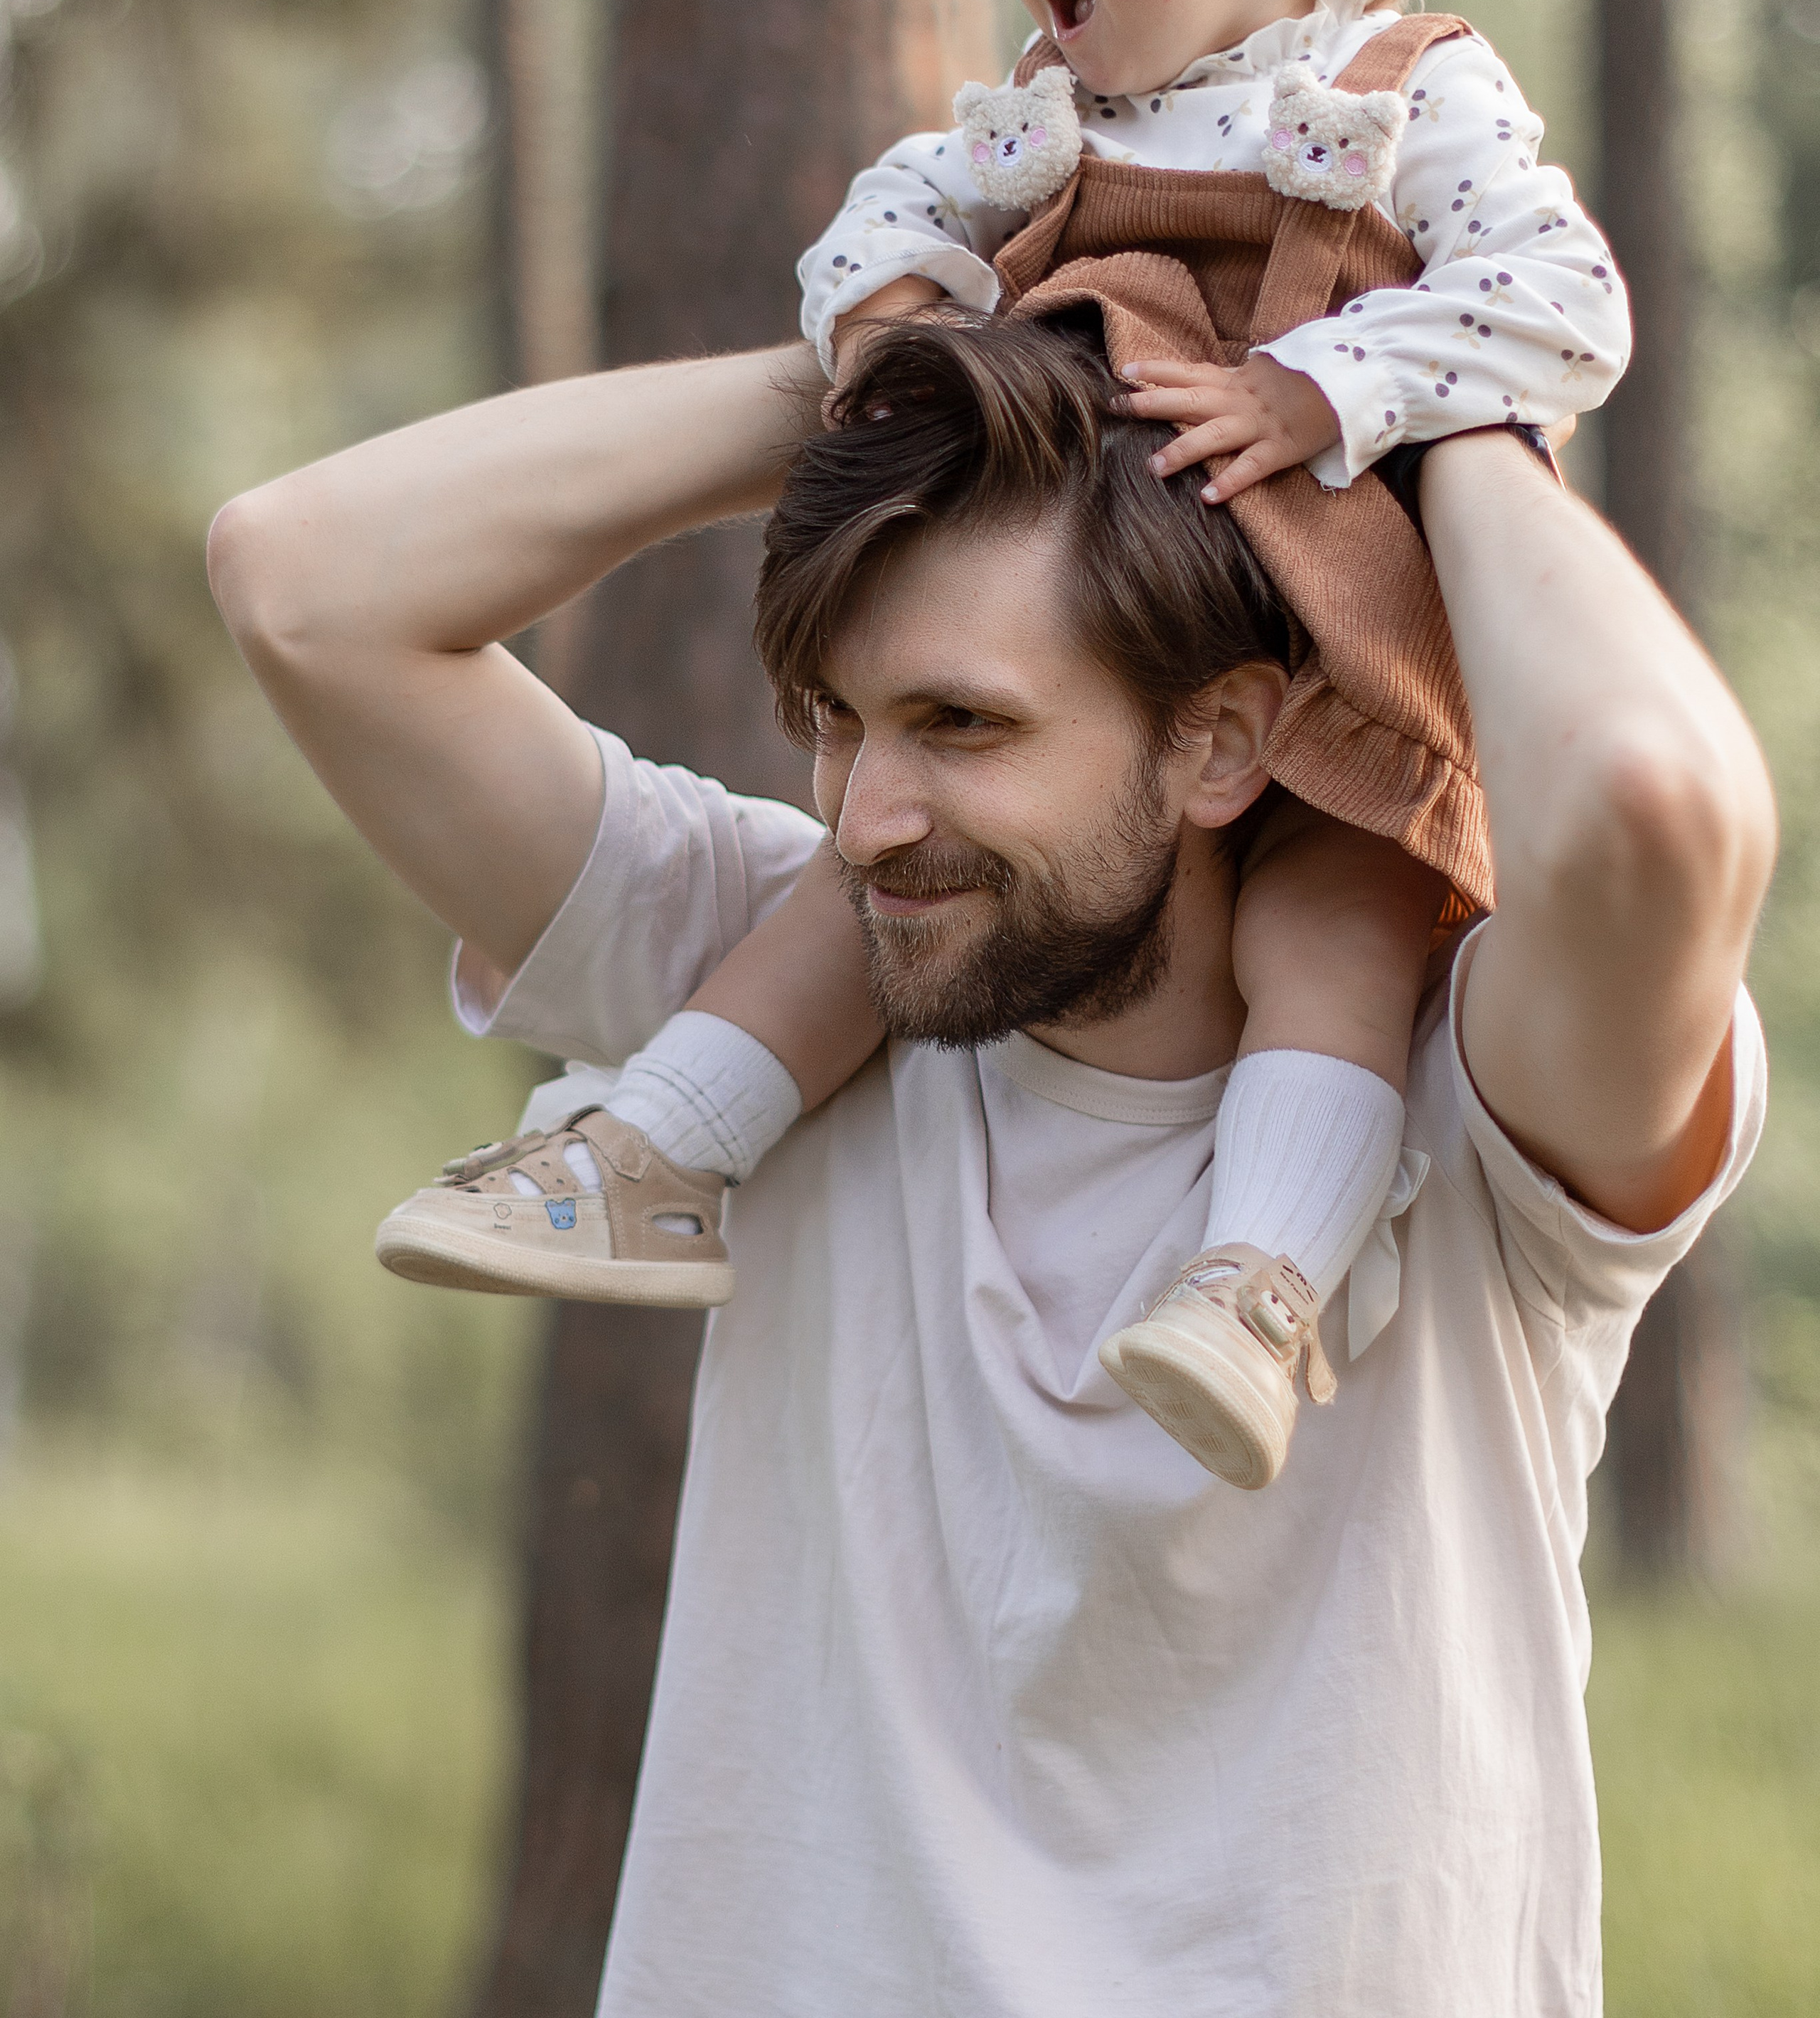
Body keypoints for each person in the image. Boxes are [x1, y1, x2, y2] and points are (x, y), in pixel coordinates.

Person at [208, 312, 1772, 2014]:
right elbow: (299, 578)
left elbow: (1651, 801)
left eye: (960, 723)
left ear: (1218, 739)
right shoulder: (772, 982)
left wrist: (1427, 397)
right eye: (834, 719)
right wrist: (907, 354)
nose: (866, 816)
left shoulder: (1470, 1111)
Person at [374, 0, 1633, 1496]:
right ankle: (658, 1153)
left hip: (1342, 670)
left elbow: (1568, 303)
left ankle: (1263, 1284)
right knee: (846, 899)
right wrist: (882, 319)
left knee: (1337, 944)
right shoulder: (1058, 124)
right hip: (1097, 633)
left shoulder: (1404, 98)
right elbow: (887, 204)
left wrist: (1324, 394)